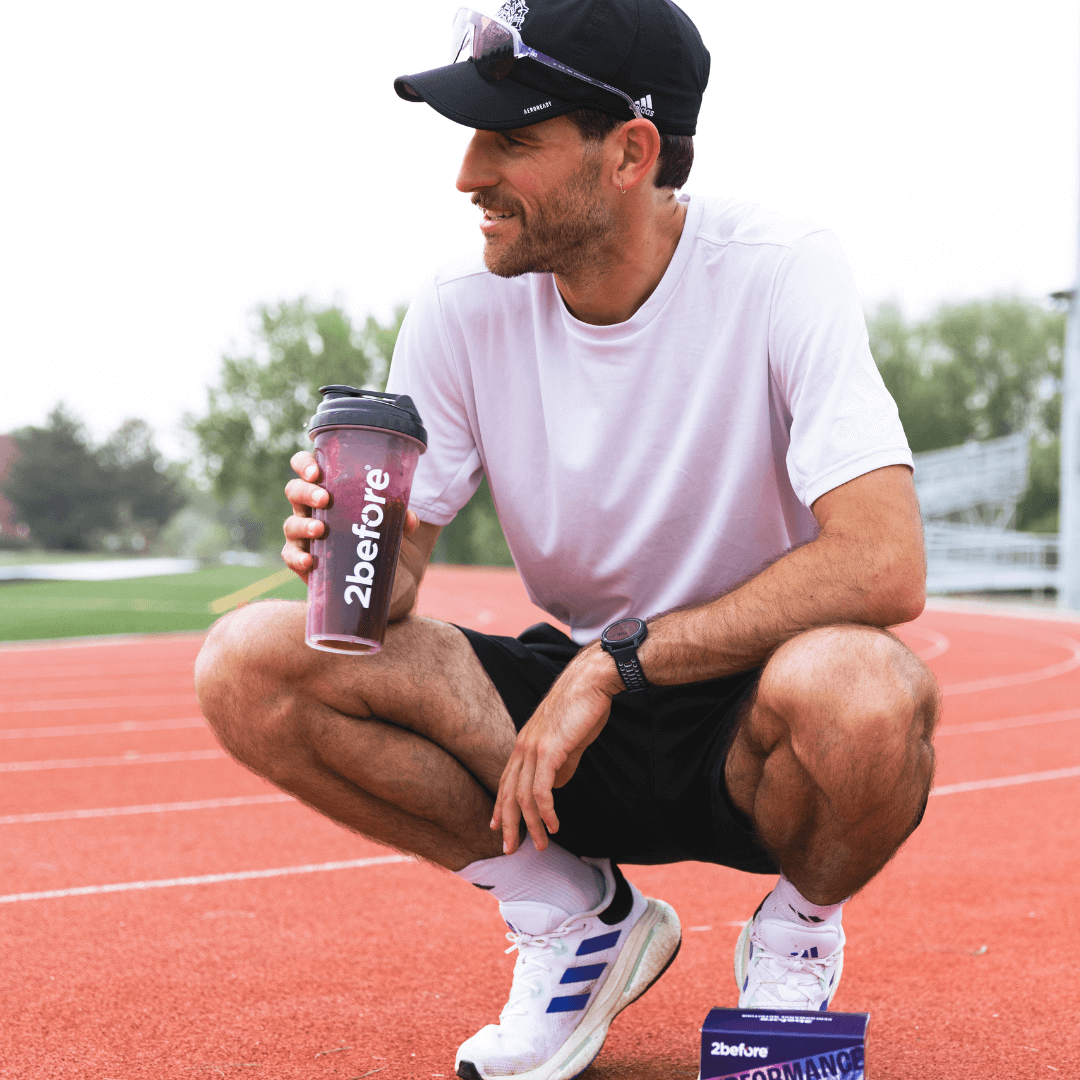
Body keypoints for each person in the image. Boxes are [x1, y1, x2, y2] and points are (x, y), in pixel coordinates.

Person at [194, 2, 940, 1078]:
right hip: (557, 733)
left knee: (868, 690)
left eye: (511, 139)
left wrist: (622, 661)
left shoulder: (781, 268)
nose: (467, 174)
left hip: (755, 721)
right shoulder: (457, 306)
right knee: (253, 661)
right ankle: (577, 918)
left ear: (631, 151)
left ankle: (794, 943)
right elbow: (395, 586)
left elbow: (885, 562)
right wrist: (352, 549)